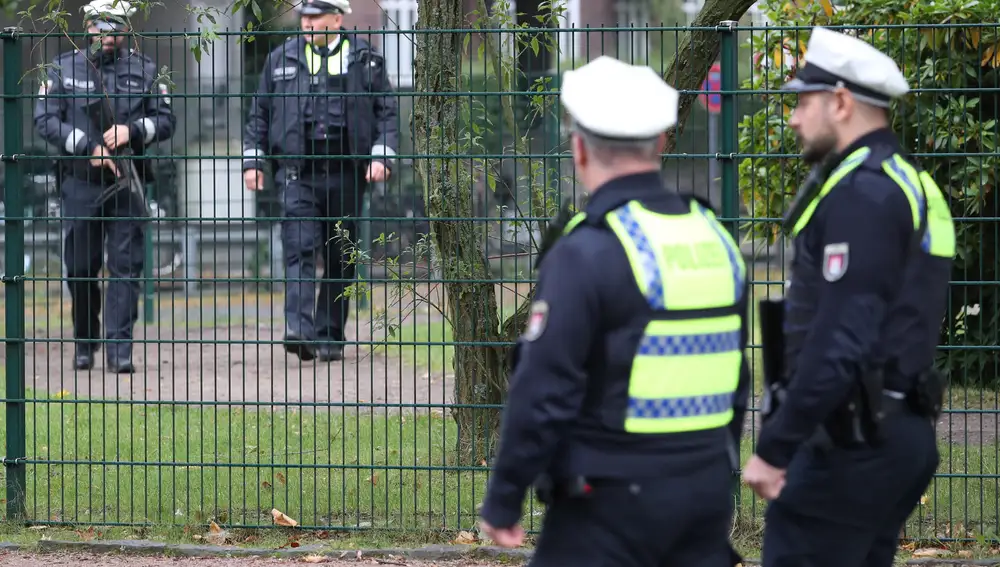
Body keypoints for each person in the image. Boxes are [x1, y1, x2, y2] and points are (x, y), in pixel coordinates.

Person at [478, 55, 750, 567]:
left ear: (579, 150)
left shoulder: (588, 251)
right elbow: (735, 375)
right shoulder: (715, 238)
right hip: (706, 494)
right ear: (662, 143)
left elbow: (542, 385)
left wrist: (504, 497)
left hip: (608, 509)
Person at [741, 27, 956, 567]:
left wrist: (774, 447)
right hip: (890, 433)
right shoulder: (902, 181)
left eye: (803, 102)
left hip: (851, 447)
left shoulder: (865, 193)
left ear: (840, 102)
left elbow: (840, 340)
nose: (793, 117)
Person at [243, 0, 399, 362]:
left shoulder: (365, 59)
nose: (308, 23)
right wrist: (253, 162)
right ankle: (299, 328)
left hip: (346, 173)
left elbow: (387, 112)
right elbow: (259, 115)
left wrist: (382, 154)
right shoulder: (280, 58)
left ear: (337, 18)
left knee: (340, 255)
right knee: (298, 248)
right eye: (304, 17)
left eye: (315, 17)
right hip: (298, 173)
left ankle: (330, 334)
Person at [34, 0, 176, 374]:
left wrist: (133, 130)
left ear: (126, 29)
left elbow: (166, 120)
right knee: (80, 268)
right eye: (100, 25)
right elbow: (45, 120)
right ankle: (85, 338)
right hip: (80, 183)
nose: (106, 33)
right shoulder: (61, 68)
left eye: (114, 26)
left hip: (126, 184)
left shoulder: (146, 71)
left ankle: (119, 348)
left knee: (126, 267)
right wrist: (87, 146)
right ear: (88, 27)